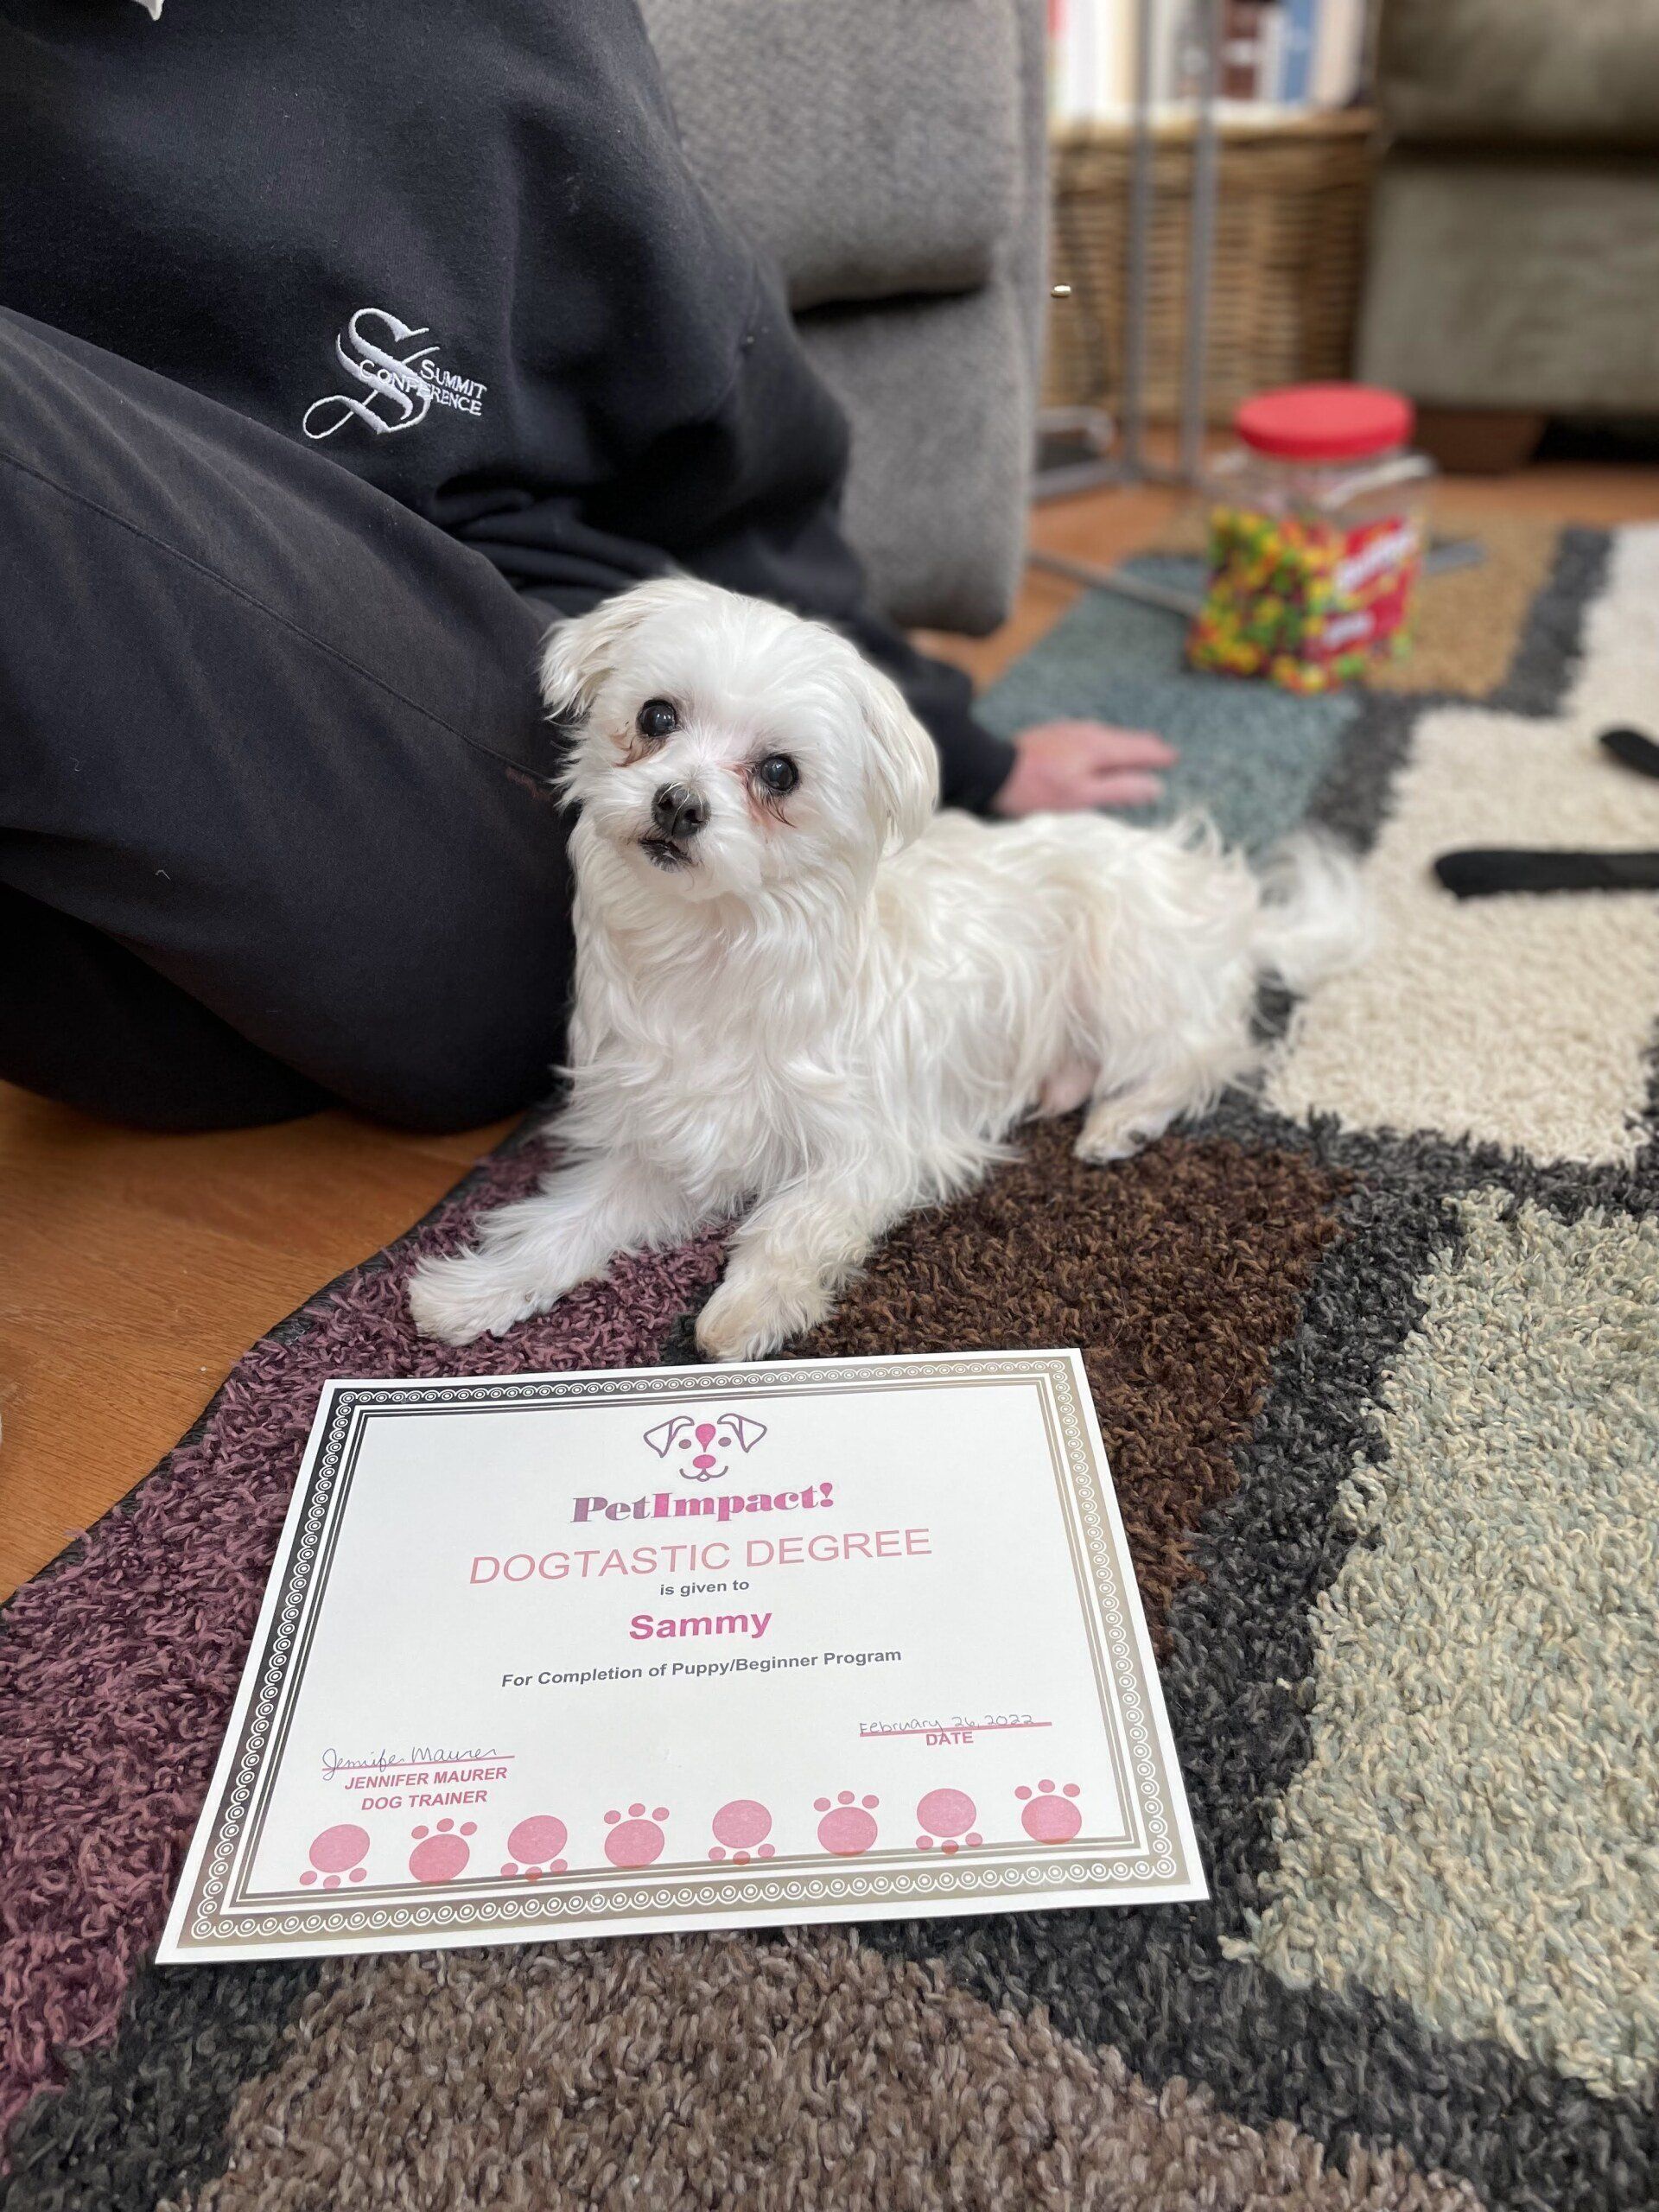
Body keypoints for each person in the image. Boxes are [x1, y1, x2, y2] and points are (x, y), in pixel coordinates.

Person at [0, 0, 1175, 1134]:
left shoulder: (484, 38)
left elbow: (737, 464)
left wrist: (963, 755)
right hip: (93, 971)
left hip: (488, 859)